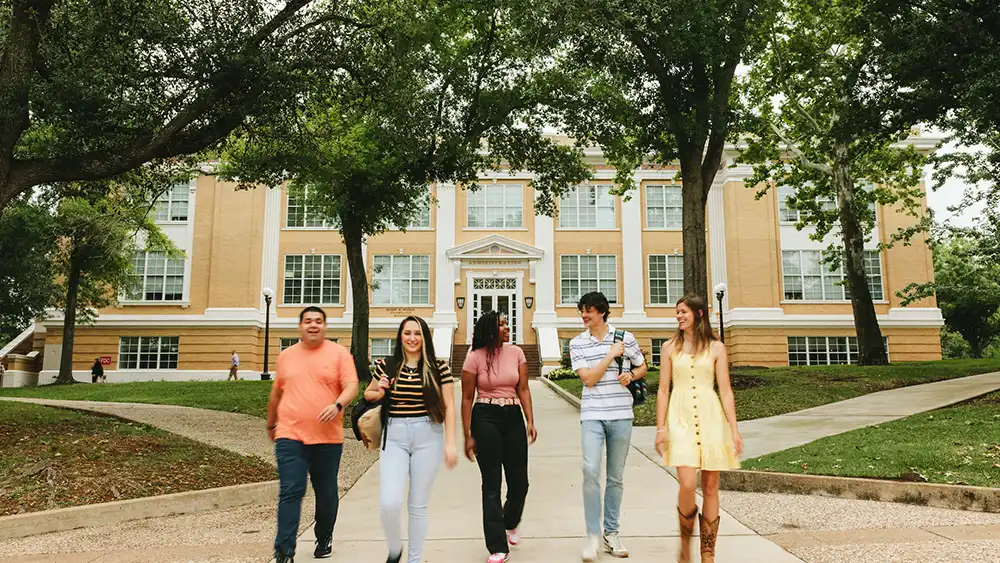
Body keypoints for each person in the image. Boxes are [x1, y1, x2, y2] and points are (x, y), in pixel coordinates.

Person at [266, 306, 359, 563]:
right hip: (290, 434)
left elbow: (352, 385)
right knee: (291, 490)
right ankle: (284, 552)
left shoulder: (339, 354)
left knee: (326, 491)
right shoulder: (287, 356)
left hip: (327, 438)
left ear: (325, 326)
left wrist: (338, 405)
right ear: (300, 327)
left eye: (318, 321)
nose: (313, 325)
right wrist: (271, 424)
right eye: (308, 321)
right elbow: (276, 393)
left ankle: (324, 536)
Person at [655, 294, 742, 563]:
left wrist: (734, 429)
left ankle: (708, 553)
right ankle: (684, 543)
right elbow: (662, 390)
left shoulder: (717, 348)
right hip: (679, 418)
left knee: (711, 485)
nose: (679, 316)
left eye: (683, 312)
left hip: (711, 417)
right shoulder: (669, 348)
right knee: (688, 483)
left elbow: (725, 391)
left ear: (699, 314)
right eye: (677, 312)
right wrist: (660, 428)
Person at [364, 315, 458, 563]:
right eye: (407, 333)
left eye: (417, 333)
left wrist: (450, 443)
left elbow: (449, 406)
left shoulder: (439, 368)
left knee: (418, 505)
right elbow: (369, 393)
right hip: (394, 436)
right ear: (400, 336)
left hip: (429, 436)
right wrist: (380, 389)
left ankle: (414, 560)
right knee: (389, 503)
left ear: (425, 337)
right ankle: (395, 548)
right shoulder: (388, 364)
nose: (412, 338)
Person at [569, 292, 647, 561]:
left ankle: (610, 532)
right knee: (590, 471)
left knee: (616, 476)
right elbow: (588, 379)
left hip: (622, 414)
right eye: (581, 311)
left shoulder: (626, 337)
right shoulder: (577, 343)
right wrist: (610, 355)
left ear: (602, 311)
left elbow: (642, 366)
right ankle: (592, 534)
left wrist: (630, 375)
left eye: (588, 310)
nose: (583, 315)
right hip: (592, 415)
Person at [462, 312, 537, 563]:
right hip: (485, 417)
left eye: (506, 323)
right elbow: (466, 398)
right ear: (490, 330)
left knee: (520, 482)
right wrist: (467, 435)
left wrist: (530, 420)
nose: (507, 328)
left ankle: (510, 522)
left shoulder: (516, 353)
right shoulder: (474, 357)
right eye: (502, 325)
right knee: (491, 485)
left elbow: (523, 388)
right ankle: (497, 547)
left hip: (513, 416)